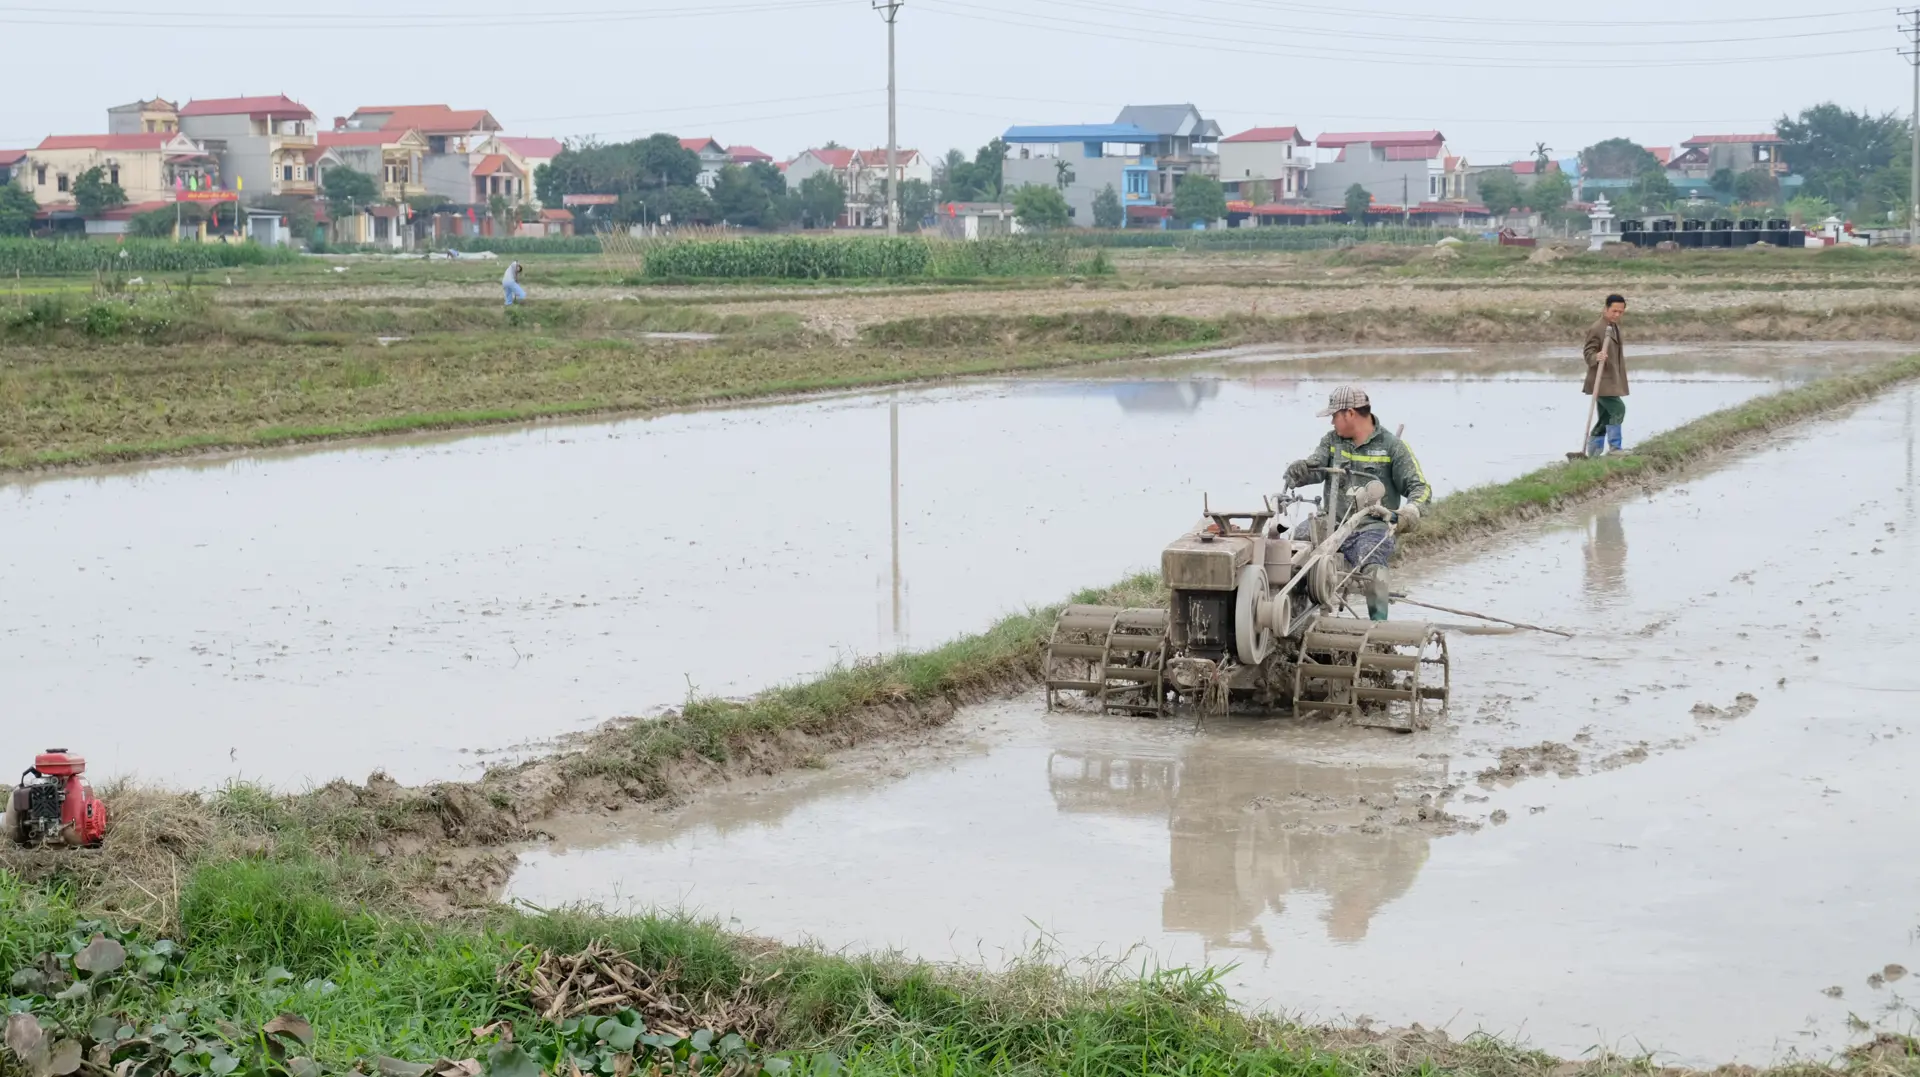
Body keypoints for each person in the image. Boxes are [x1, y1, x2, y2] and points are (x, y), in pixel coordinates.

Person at [1283, 385, 1432, 622]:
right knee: (1293, 551)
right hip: (1331, 522)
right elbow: (1315, 467)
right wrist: (1298, 471)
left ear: (1350, 413)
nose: (1332, 422)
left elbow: (1420, 488)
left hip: (1371, 526)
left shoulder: (1392, 448)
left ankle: (1378, 630)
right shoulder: (1332, 441)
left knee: (1372, 567)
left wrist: (1409, 512)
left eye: (1334, 416)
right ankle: (1293, 617)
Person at [1582, 294, 1630, 456]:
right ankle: (1615, 448)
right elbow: (1588, 351)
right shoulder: (1597, 328)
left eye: (1620, 312)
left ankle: (1593, 453)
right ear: (1606, 309)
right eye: (1614, 311)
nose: (1617, 314)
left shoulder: (1613, 326)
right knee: (1618, 409)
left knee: (1604, 416)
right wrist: (1596, 357)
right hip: (1601, 380)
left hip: (1611, 378)